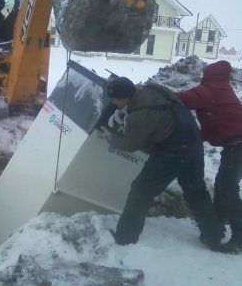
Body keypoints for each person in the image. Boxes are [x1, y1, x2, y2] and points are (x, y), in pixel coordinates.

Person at [100, 77, 225, 251]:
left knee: (141, 190)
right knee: (195, 190)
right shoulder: (153, 88)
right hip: (193, 142)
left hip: (172, 150)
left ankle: (125, 237)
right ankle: (213, 236)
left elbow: (130, 144)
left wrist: (111, 138)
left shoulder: (139, 115)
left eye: (114, 99)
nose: (112, 102)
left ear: (124, 97)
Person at [177, 60, 242, 254]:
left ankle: (239, 235)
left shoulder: (211, 89)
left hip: (237, 146)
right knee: (225, 186)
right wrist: (196, 138)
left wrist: (156, 94)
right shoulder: (223, 89)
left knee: (226, 188)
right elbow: (213, 125)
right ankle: (216, 228)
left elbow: (183, 100)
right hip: (235, 146)